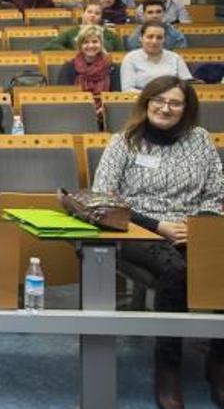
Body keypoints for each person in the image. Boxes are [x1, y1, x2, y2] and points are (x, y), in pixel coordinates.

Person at [92, 76, 224, 409]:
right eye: (159, 100)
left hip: (194, 227)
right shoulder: (124, 142)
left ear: (186, 108)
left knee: (219, 264)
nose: (165, 108)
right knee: (177, 271)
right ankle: (168, 367)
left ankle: (219, 363)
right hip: (138, 230)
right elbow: (102, 199)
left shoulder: (200, 141)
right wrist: (159, 226)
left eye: (175, 102)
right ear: (147, 102)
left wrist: (197, 228)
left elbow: (216, 194)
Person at [57, 25, 118, 112]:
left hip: (106, 113)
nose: (91, 45)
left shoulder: (112, 67)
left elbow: (116, 96)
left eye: (95, 42)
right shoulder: (69, 67)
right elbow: (64, 97)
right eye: (86, 42)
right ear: (80, 45)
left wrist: (104, 109)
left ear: (101, 44)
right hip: (75, 113)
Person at [121, 23, 192, 91]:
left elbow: (187, 85)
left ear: (164, 40)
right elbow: (127, 89)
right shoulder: (130, 58)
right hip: (141, 100)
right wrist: (156, 97)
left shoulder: (175, 58)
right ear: (141, 38)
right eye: (150, 37)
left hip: (172, 99)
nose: (154, 41)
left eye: (159, 38)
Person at [43, 0, 123, 51]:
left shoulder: (110, 35)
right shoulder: (71, 32)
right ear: (83, 14)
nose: (93, 15)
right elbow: (50, 46)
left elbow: (120, 54)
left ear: (101, 17)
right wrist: (74, 54)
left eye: (97, 13)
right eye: (89, 12)